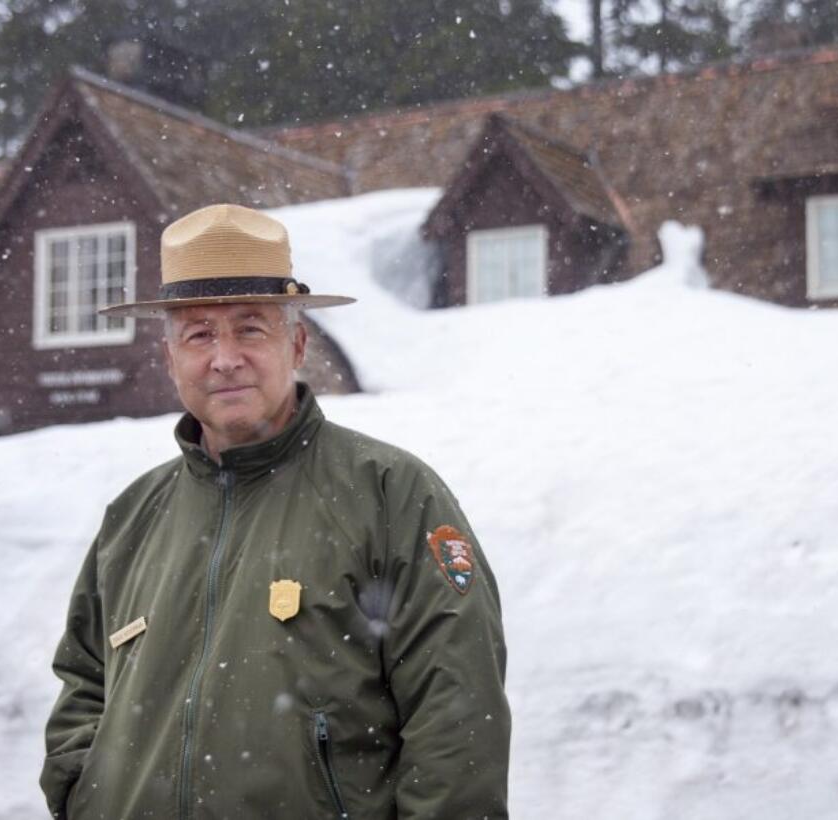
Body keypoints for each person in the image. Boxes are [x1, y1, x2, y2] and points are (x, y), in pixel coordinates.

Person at [39, 203, 510, 819]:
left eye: (251, 328)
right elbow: (84, 686)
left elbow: (456, 714)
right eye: (199, 333)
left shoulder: (392, 494)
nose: (224, 356)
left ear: (298, 344)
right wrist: (82, 793)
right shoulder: (134, 517)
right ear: (170, 358)